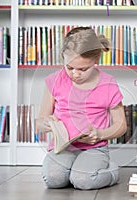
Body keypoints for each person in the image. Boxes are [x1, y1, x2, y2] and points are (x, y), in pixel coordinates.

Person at [36, 26, 127, 190]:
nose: (75, 74)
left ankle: (111, 172)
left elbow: (121, 125)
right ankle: (76, 170)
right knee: (53, 179)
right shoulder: (54, 80)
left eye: (83, 69)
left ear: (96, 60)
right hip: (63, 147)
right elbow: (40, 121)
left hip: (94, 148)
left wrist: (100, 134)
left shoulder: (108, 83)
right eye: (69, 67)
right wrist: (47, 123)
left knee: (82, 180)